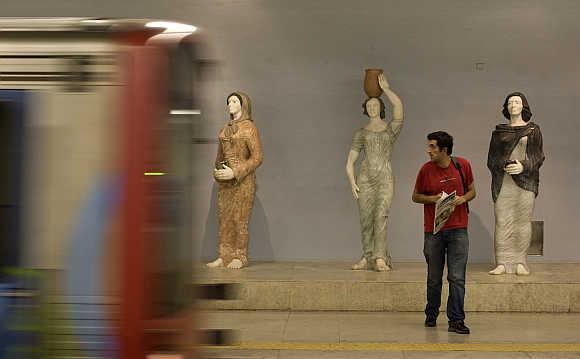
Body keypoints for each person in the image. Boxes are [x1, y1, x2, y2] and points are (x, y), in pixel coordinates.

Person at [412, 131, 476, 334]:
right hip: (434, 231)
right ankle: (431, 315)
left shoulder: (462, 165)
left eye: (432, 147)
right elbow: (415, 196)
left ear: (444, 150)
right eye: (429, 146)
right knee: (434, 277)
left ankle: (456, 320)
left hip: (458, 229)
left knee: (457, 277)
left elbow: (473, 191)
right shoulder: (425, 170)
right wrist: (433, 199)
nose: (428, 151)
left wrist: (462, 199)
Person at [346, 73, 403, 271]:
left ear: (381, 108)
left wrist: (386, 89)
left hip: (385, 177)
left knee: (381, 215)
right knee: (365, 218)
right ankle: (367, 255)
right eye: (369, 106)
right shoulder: (361, 133)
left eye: (375, 105)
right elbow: (350, 161)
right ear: (365, 109)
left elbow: (399, 110)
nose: (372, 108)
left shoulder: (390, 130)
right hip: (365, 178)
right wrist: (352, 181)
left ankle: (380, 257)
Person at [487, 92, 545, 276]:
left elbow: (538, 157)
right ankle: (503, 262)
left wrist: (523, 166)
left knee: (522, 221)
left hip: (526, 181)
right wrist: (504, 165)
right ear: (506, 107)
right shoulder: (498, 132)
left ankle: (520, 261)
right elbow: (491, 159)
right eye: (510, 102)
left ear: (523, 106)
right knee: (502, 221)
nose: (513, 104)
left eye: (517, 102)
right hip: (504, 181)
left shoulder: (533, 130)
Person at [207, 91, 263, 269]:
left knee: (240, 219)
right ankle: (224, 255)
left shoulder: (249, 128)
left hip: (243, 181)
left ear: (243, 105)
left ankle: (240, 256)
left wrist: (236, 171)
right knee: (224, 219)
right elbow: (220, 156)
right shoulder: (224, 129)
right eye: (228, 101)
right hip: (225, 182)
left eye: (234, 101)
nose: (230, 104)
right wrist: (217, 171)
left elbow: (257, 157)